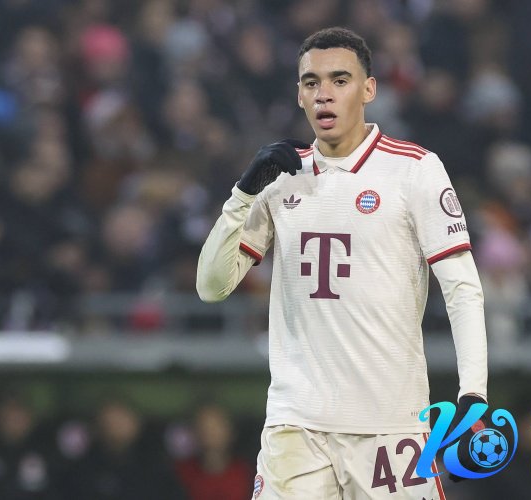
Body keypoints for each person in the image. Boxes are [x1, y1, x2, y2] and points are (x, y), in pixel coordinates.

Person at [197, 27, 488, 499]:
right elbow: (211, 287)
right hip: (296, 426)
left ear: (368, 89)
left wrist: (473, 392)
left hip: (390, 426)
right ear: (299, 94)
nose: (324, 94)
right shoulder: (280, 177)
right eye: (311, 82)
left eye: (339, 80)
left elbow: (462, 288)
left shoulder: (414, 169)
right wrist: (241, 194)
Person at [174, 403, 253, 500]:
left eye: (216, 427)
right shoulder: (181, 475)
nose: (210, 433)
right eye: (204, 427)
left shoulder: (248, 473)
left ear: (230, 431)